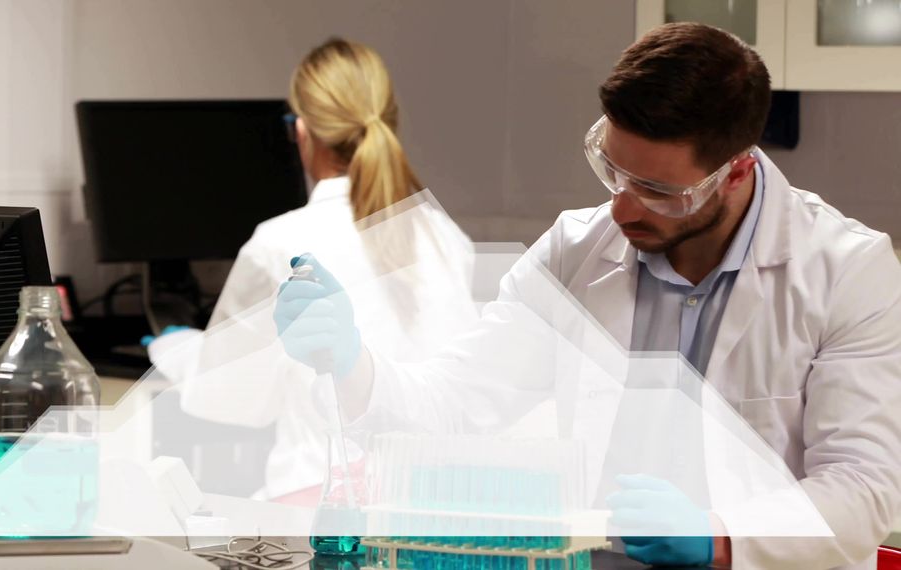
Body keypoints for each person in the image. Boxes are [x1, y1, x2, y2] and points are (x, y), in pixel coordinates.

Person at [274, 23, 901, 568]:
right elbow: (457, 403)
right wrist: (351, 363)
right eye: (612, 170)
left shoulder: (847, 271)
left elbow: (864, 488)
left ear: (735, 170)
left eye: (656, 189)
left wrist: (719, 536)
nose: (621, 207)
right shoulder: (575, 252)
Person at [171, 37, 476, 503]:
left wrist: (176, 350)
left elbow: (224, 398)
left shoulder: (281, 243)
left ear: (302, 132)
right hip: (437, 502)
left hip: (324, 508)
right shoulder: (445, 237)